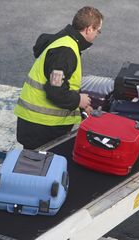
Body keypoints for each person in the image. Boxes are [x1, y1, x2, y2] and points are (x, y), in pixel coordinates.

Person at [14, 6, 104, 149]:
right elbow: (55, 90)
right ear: (89, 29)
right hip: (41, 127)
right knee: (40, 167)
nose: (96, 36)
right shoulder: (65, 52)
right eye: (98, 31)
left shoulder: (64, 40)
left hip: (35, 124)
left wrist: (81, 106)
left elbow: (61, 83)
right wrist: (78, 100)